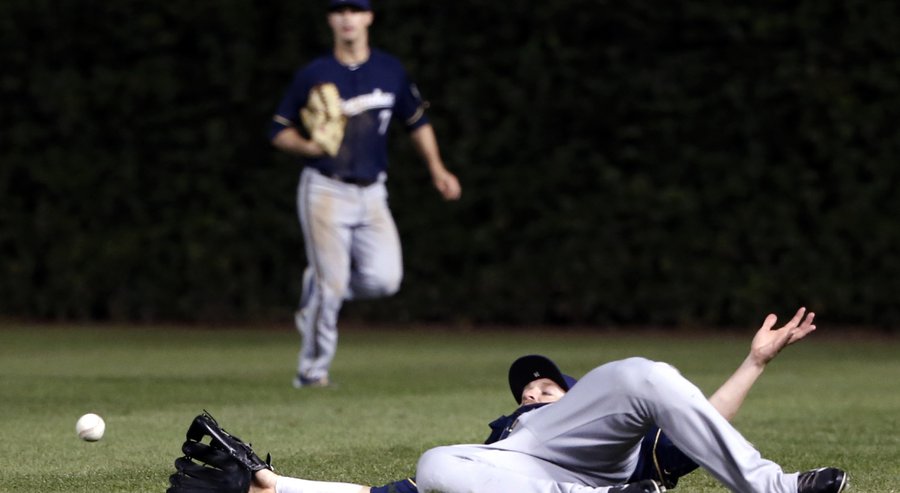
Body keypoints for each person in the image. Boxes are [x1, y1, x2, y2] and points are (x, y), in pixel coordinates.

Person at [246, 308, 845, 493]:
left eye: (547, 385)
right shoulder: (501, 438)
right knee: (433, 465)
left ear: (572, 395)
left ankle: (775, 488)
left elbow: (703, 422)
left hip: (600, 455)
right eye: (527, 389)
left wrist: (755, 362)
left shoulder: (603, 412)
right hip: (526, 470)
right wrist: (277, 483)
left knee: (644, 373)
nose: (533, 388)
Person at [268, 0, 461, 388]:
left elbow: (417, 122)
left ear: (369, 17)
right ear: (330, 20)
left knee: (385, 280)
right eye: (339, 10)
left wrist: (437, 168)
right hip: (325, 189)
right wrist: (308, 147)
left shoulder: (389, 70)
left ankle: (318, 289)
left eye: (355, 9)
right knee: (332, 285)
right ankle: (312, 372)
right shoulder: (315, 74)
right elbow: (277, 130)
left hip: (373, 193)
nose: (347, 17)